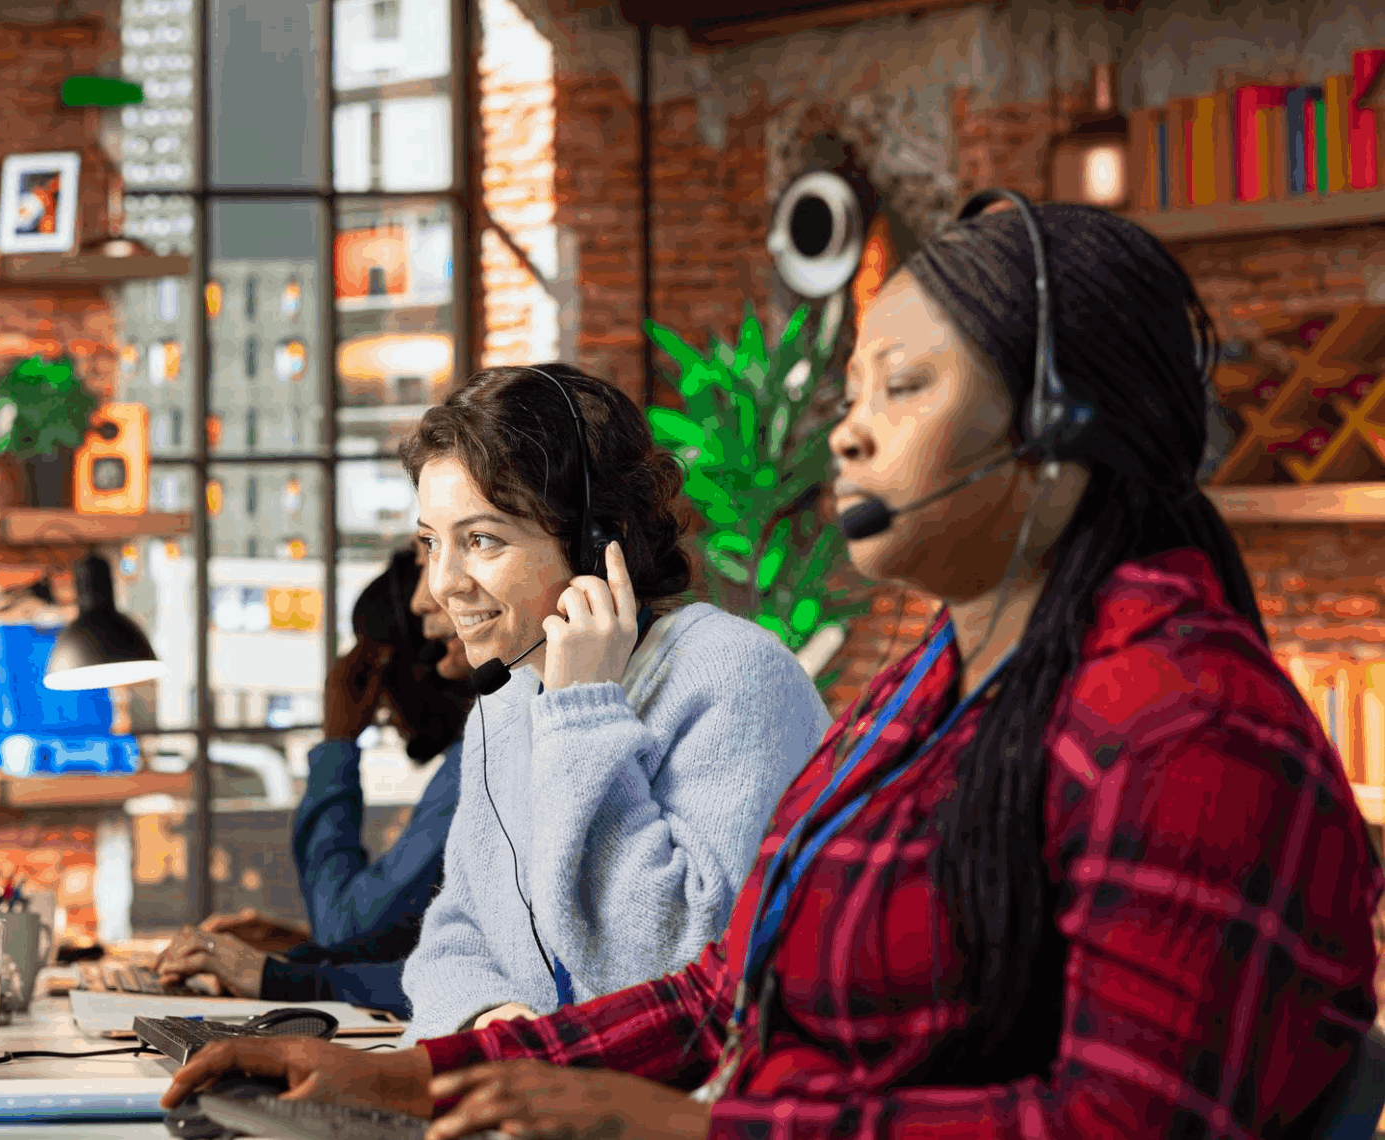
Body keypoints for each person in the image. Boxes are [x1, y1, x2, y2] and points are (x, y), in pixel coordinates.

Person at [161, 198, 1383, 1137]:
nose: (846, 431)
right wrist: (417, 1075)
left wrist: (702, 1129)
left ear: (1057, 434)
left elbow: (1112, 1126)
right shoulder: (934, 695)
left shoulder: (1186, 732)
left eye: (899, 388)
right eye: (851, 386)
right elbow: (723, 996)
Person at [395, 363, 830, 1041]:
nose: (443, 583)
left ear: (596, 547)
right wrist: (491, 1021)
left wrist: (584, 713)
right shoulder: (506, 700)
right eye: (431, 542)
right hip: (541, 1100)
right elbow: (453, 939)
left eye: (480, 540)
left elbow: (672, 967)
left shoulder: (734, 677)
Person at [151, 542, 473, 1016]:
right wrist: (304, 950)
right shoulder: (473, 756)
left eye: (370, 669)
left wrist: (338, 743)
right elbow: (399, 945)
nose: (376, 702)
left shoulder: (477, 763)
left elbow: (347, 927)